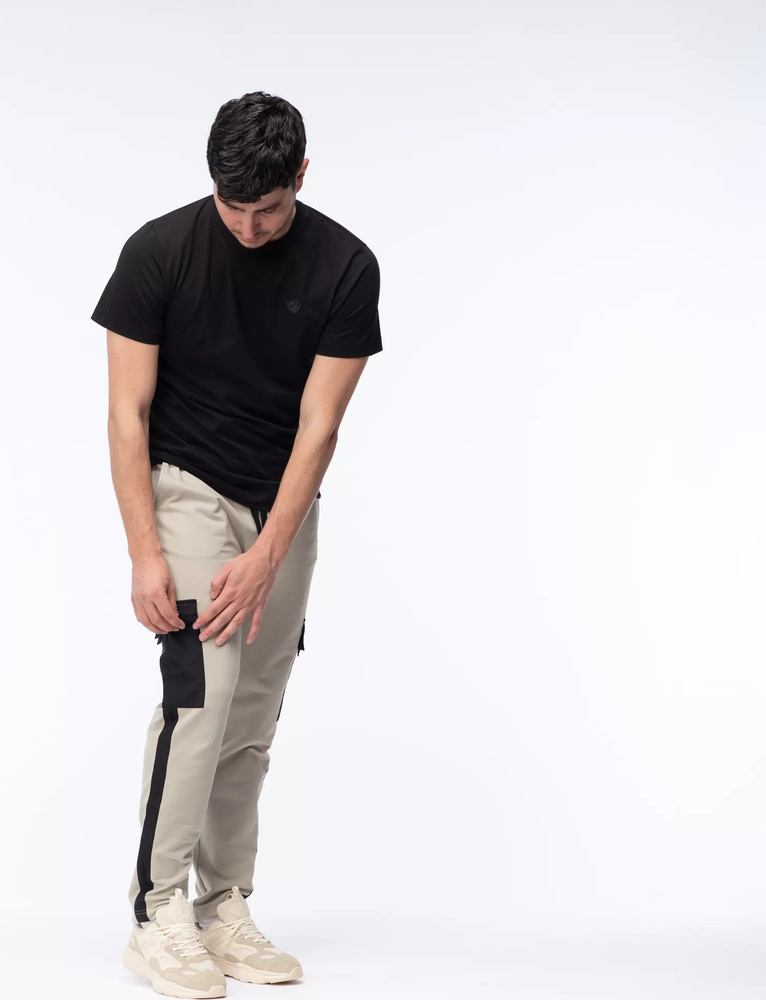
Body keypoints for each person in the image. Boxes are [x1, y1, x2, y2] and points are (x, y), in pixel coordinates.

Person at [90, 90, 383, 998]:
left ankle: (222, 905)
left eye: (269, 208)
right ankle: (157, 912)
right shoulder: (159, 252)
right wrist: (145, 551)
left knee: (251, 718)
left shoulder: (346, 265)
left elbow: (320, 427)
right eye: (233, 207)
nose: (250, 227)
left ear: (302, 176)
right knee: (201, 697)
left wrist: (268, 555)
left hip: (282, 508)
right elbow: (128, 414)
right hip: (186, 488)